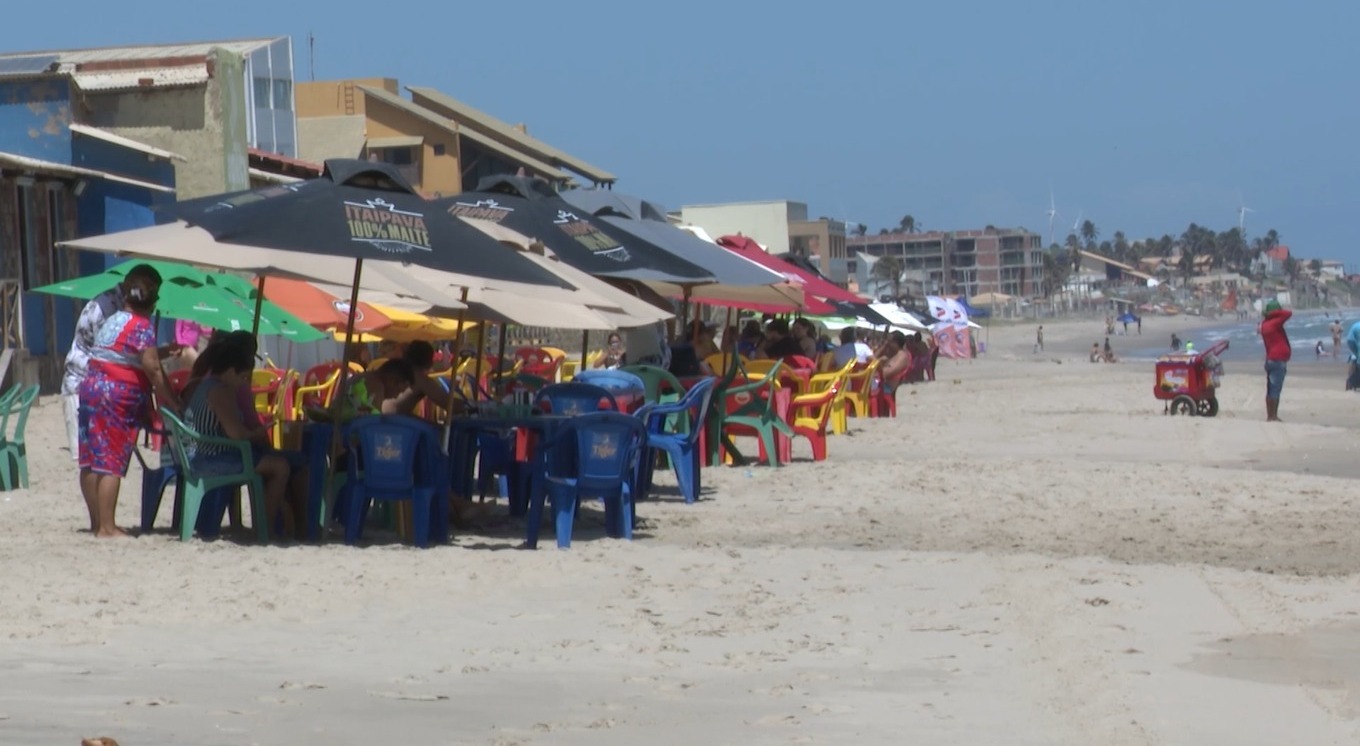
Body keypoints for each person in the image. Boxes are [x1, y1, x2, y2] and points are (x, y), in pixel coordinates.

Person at [78, 271, 183, 538]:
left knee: (91, 460)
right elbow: (151, 368)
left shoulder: (114, 320)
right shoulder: (142, 325)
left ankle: (97, 523)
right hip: (115, 397)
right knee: (111, 461)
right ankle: (108, 527)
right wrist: (171, 399)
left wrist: (163, 351)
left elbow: (125, 353)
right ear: (152, 301)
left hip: (91, 389)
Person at [182, 337, 308, 539]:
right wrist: (255, 434)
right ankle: (264, 529)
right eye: (243, 377)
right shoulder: (220, 391)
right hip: (210, 459)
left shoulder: (206, 385)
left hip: (202, 454)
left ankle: (273, 524)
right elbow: (237, 434)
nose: (244, 383)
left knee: (276, 462)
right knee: (280, 467)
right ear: (231, 371)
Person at [62, 264, 163, 460]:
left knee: (94, 461)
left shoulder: (121, 307)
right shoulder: (108, 308)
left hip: (93, 387)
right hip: (83, 383)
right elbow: (116, 356)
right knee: (100, 460)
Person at [1260, 299, 1292, 422]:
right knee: (1275, 389)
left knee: (1271, 388)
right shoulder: (1273, 323)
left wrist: (1270, 313)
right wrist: (1276, 312)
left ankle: (1270, 415)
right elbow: (1288, 314)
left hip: (1271, 359)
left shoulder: (1265, 324)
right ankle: (1273, 416)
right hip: (1277, 360)